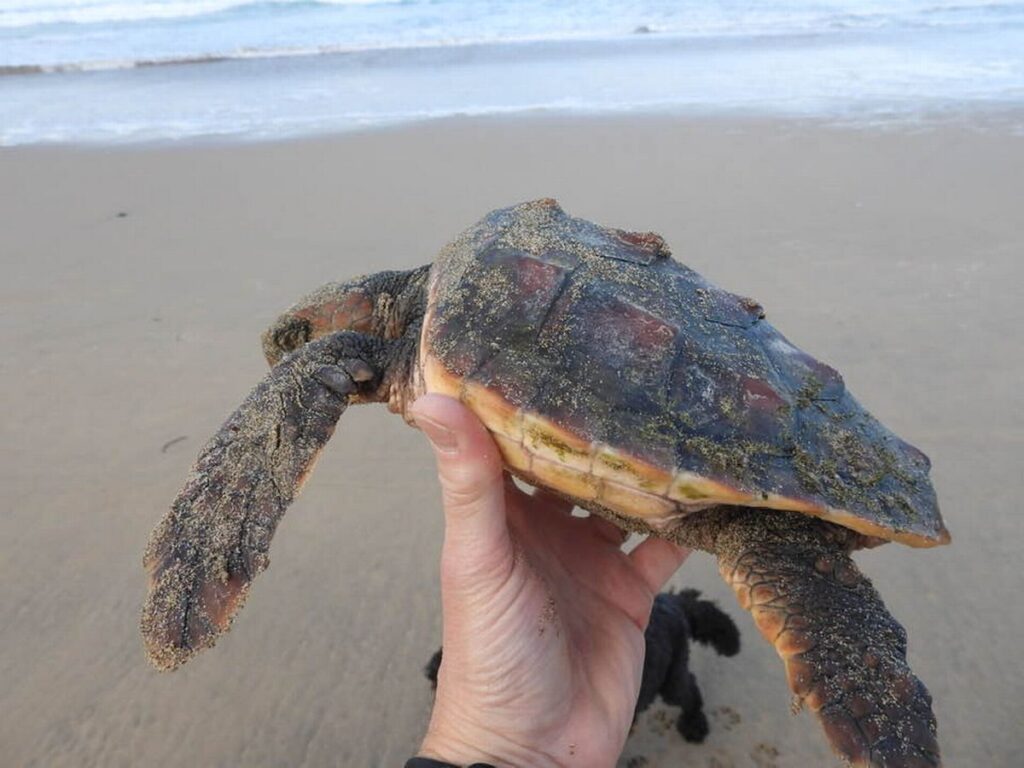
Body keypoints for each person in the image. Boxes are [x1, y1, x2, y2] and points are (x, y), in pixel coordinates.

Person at [405, 394, 691, 768]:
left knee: (679, 688)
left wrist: (489, 746)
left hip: (634, 629)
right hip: (627, 623)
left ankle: (692, 704)